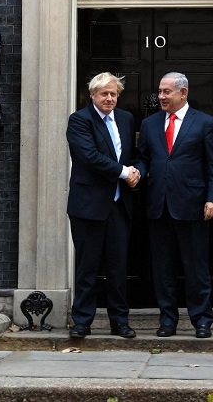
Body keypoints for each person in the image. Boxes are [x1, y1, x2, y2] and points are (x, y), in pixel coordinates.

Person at [135, 72, 213, 339]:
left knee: (196, 266)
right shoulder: (150, 124)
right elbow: (143, 158)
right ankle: (167, 320)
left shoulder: (205, 123)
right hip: (158, 205)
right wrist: (136, 172)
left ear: (183, 93)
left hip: (193, 206)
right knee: (162, 267)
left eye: (166, 92)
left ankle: (201, 320)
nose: (161, 96)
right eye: (160, 92)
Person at [66, 72, 141, 339]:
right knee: (88, 267)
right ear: (93, 95)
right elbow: (89, 157)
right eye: (104, 94)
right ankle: (82, 322)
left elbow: (134, 156)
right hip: (88, 206)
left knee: (118, 267)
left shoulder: (126, 118)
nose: (109, 98)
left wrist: (137, 172)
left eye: (113, 94)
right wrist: (124, 172)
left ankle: (120, 321)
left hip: (119, 205)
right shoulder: (79, 120)